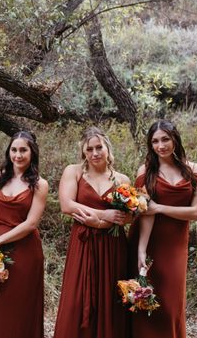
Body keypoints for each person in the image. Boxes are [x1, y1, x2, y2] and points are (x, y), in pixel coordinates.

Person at [128, 120, 197, 338]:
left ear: (175, 140)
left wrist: (159, 207)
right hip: (150, 240)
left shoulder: (195, 171)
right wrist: (141, 250)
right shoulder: (145, 171)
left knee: (171, 304)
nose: (160, 146)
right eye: (155, 141)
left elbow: (196, 212)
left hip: (175, 245)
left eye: (165, 139)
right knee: (146, 302)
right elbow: (145, 213)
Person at [54, 126, 130, 338]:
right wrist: (103, 215)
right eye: (90, 149)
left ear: (108, 148)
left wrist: (101, 224)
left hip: (112, 245)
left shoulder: (122, 180)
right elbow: (67, 205)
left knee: (108, 297)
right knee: (77, 296)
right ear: (83, 152)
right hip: (83, 244)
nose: (95, 153)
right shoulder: (74, 172)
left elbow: (127, 217)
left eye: (99, 147)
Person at [0, 131, 49, 338]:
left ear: (32, 152)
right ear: (9, 151)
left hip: (25, 252)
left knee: (20, 306)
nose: (18, 155)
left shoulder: (39, 184)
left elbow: (31, 223)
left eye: (23, 150)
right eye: (14, 150)